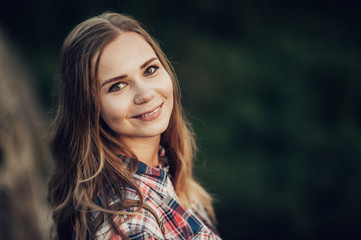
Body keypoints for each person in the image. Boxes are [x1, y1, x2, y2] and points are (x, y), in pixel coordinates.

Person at [48, 12, 221, 240]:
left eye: (150, 70)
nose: (146, 94)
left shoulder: (164, 169)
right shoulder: (131, 225)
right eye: (118, 86)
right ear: (88, 107)